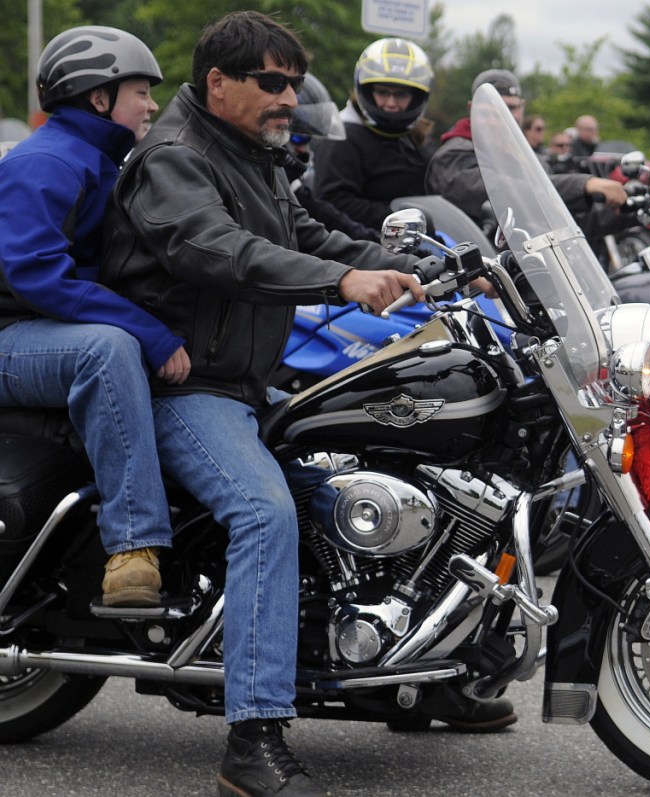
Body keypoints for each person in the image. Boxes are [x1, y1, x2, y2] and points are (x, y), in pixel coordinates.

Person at [99, 12, 509, 796]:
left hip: (243, 379)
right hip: (183, 385)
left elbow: (310, 230)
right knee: (264, 512)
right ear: (219, 82)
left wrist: (431, 269)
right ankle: (252, 741)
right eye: (271, 81)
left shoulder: (250, 153)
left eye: (294, 81)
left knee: (378, 467)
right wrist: (341, 283)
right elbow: (215, 248)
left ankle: (421, 670)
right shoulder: (173, 158)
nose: (289, 95)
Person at [0, 26, 188, 609]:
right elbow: (34, 273)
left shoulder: (104, 160)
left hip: (40, 335)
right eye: (140, 92)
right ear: (98, 98)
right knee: (104, 349)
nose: (153, 105)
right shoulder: (46, 160)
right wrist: (150, 332)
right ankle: (134, 546)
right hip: (10, 339)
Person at [425, 69, 627, 226]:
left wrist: (631, 210)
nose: (501, 115)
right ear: (471, 109)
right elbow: (504, 191)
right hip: (479, 272)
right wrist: (583, 184)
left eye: (510, 107)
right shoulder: (454, 156)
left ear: (522, 108)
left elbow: (561, 217)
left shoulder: (527, 157)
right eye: (489, 108)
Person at [312, 38, 435, 231]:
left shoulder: (413, 136)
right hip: (365, 247)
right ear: (367, 91)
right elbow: (331, 201)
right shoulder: (343, 135)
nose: (391, 103)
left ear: (417, 96)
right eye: (382, 92)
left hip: (412, 242)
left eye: (401, 94)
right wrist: (399, 217)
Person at [283, 73, 376, 241]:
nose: (304, 149)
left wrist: (385, 247)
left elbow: (334, 223)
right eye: (298, 136)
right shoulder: (258, 185)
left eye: (310, 138)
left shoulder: (291, 187)